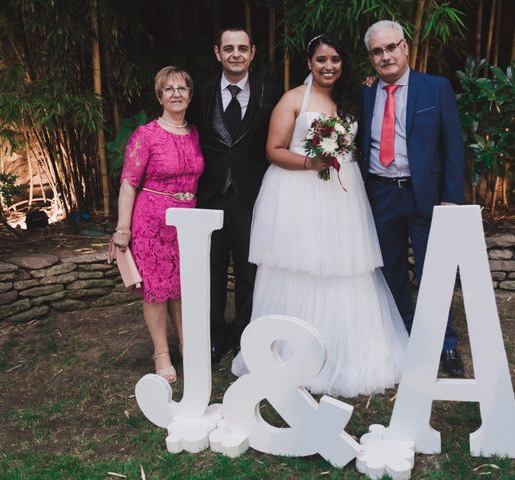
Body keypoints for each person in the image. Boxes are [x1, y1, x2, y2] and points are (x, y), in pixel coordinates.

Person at [231, 34, 409, 398]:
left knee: (345, 266)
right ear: (309, 62)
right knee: (301, 266)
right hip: (299, 192)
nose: (329, 66)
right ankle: (290, 354)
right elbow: (274, 150)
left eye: (336, 60)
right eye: (321, 60)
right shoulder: (293, 99)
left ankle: (348, 351)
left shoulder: (352, 98)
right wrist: (312, 162)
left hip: (343, 195)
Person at [359, 20, 466, 376]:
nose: (386, 55)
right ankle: (404, 337)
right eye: (377, 51)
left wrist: (451, 198)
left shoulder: (435, 88)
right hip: (380, 194)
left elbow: (453, 147)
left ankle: (444, 344)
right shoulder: (364, 93)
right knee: (390, 272)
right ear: (371, 57)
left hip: (426, 196)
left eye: (391, 47)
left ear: (405, 48)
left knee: (432, 271)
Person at [108, 66, 204, 383]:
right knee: (157, 290)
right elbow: (128, 182)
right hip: (152, 220)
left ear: (190, 95)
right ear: (159, 95)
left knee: (183, 288)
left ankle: (188, 345)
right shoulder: (146, 134)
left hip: (187, 220)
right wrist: (123, 228)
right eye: (169, 89)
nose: (176, 93)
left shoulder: (195, 133)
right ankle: (161, 352)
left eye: (182, 88)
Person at [194, 28, 281, 363]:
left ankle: (246, 336)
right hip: (210, 196)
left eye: (242, 48)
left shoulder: (270, 91)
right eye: (228, 48)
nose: (235, 54)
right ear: (217, 52)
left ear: (253, 52)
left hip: (252, 196)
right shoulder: (199, 91)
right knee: (212, 271)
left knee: (249, 271)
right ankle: (214, 336)